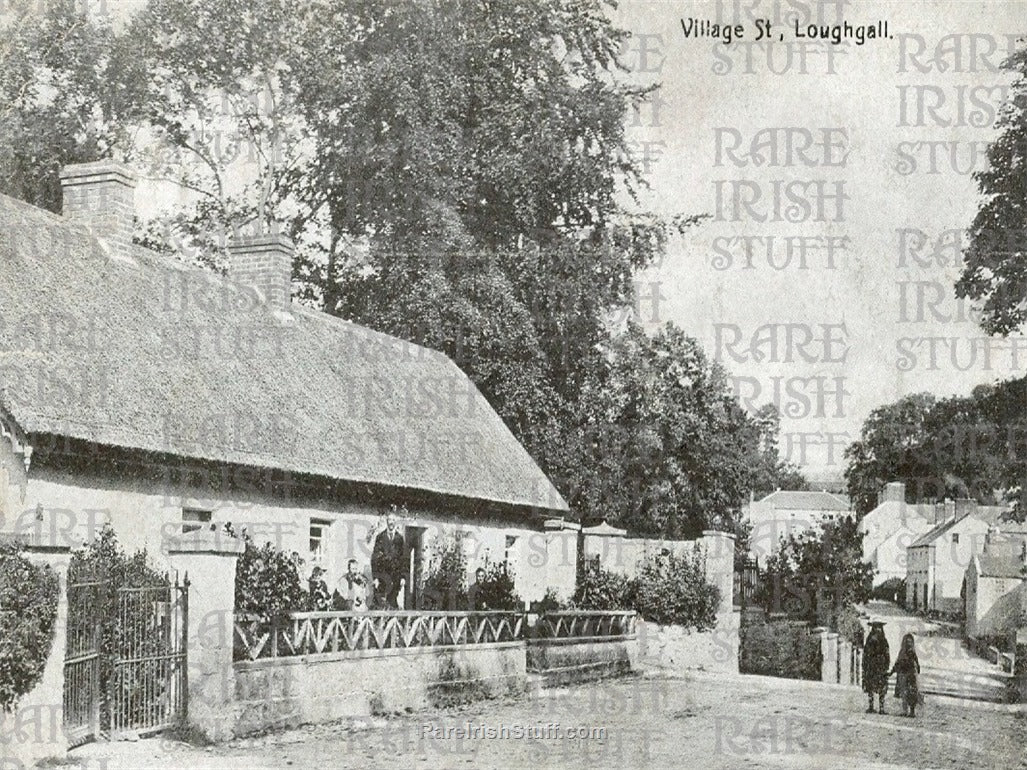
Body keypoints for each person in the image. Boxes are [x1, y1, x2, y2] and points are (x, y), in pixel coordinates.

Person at [371, 510, 406, 609]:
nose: (391, 522)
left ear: (396, 522)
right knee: (380, 603)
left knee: (392, 603)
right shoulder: (380, 537)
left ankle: (392, 623)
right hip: (382, 576)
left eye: (393, 520)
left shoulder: (400, 539)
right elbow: (374, 558)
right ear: (387, 521)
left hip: (395, 577)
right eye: (389, 520)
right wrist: (375, 577)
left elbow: (403, 558)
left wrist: (403, 577)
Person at [862, 621, 890, 713]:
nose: (878, 629)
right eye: (876, 627)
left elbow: (886, 653)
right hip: (875, 665)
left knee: (877, 686)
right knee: (874, 686)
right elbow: (866, 653)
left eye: (879, 627)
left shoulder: (877, 639)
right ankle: (875, 707)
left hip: (877, 666)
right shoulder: (874, 639)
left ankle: (878, 707)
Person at [891, 633, 921, 717]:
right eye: (907, 641)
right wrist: (893, 670)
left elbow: (916, 662)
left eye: (910, 642)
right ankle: (906, 711)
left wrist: (917, 669)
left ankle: (911, 711)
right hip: (904, 673)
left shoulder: (910, 652)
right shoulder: (903, 652)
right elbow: (898, 662)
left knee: (910, 692)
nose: (908, 643)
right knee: (905, 693)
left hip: (910, 674)